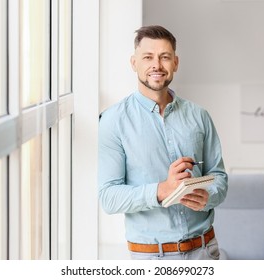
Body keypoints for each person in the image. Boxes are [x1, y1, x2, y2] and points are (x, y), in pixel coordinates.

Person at [98, 25, 228, 260]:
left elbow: (219, 177)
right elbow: (109, 197)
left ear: (175, 63)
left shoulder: (200, 116)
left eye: (164, 57)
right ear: (134, 63)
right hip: (151, 258)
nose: (156, 65)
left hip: (205, 251)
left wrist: (209, 195)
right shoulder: (113, 121)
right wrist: (161, 190)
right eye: (148, 57)